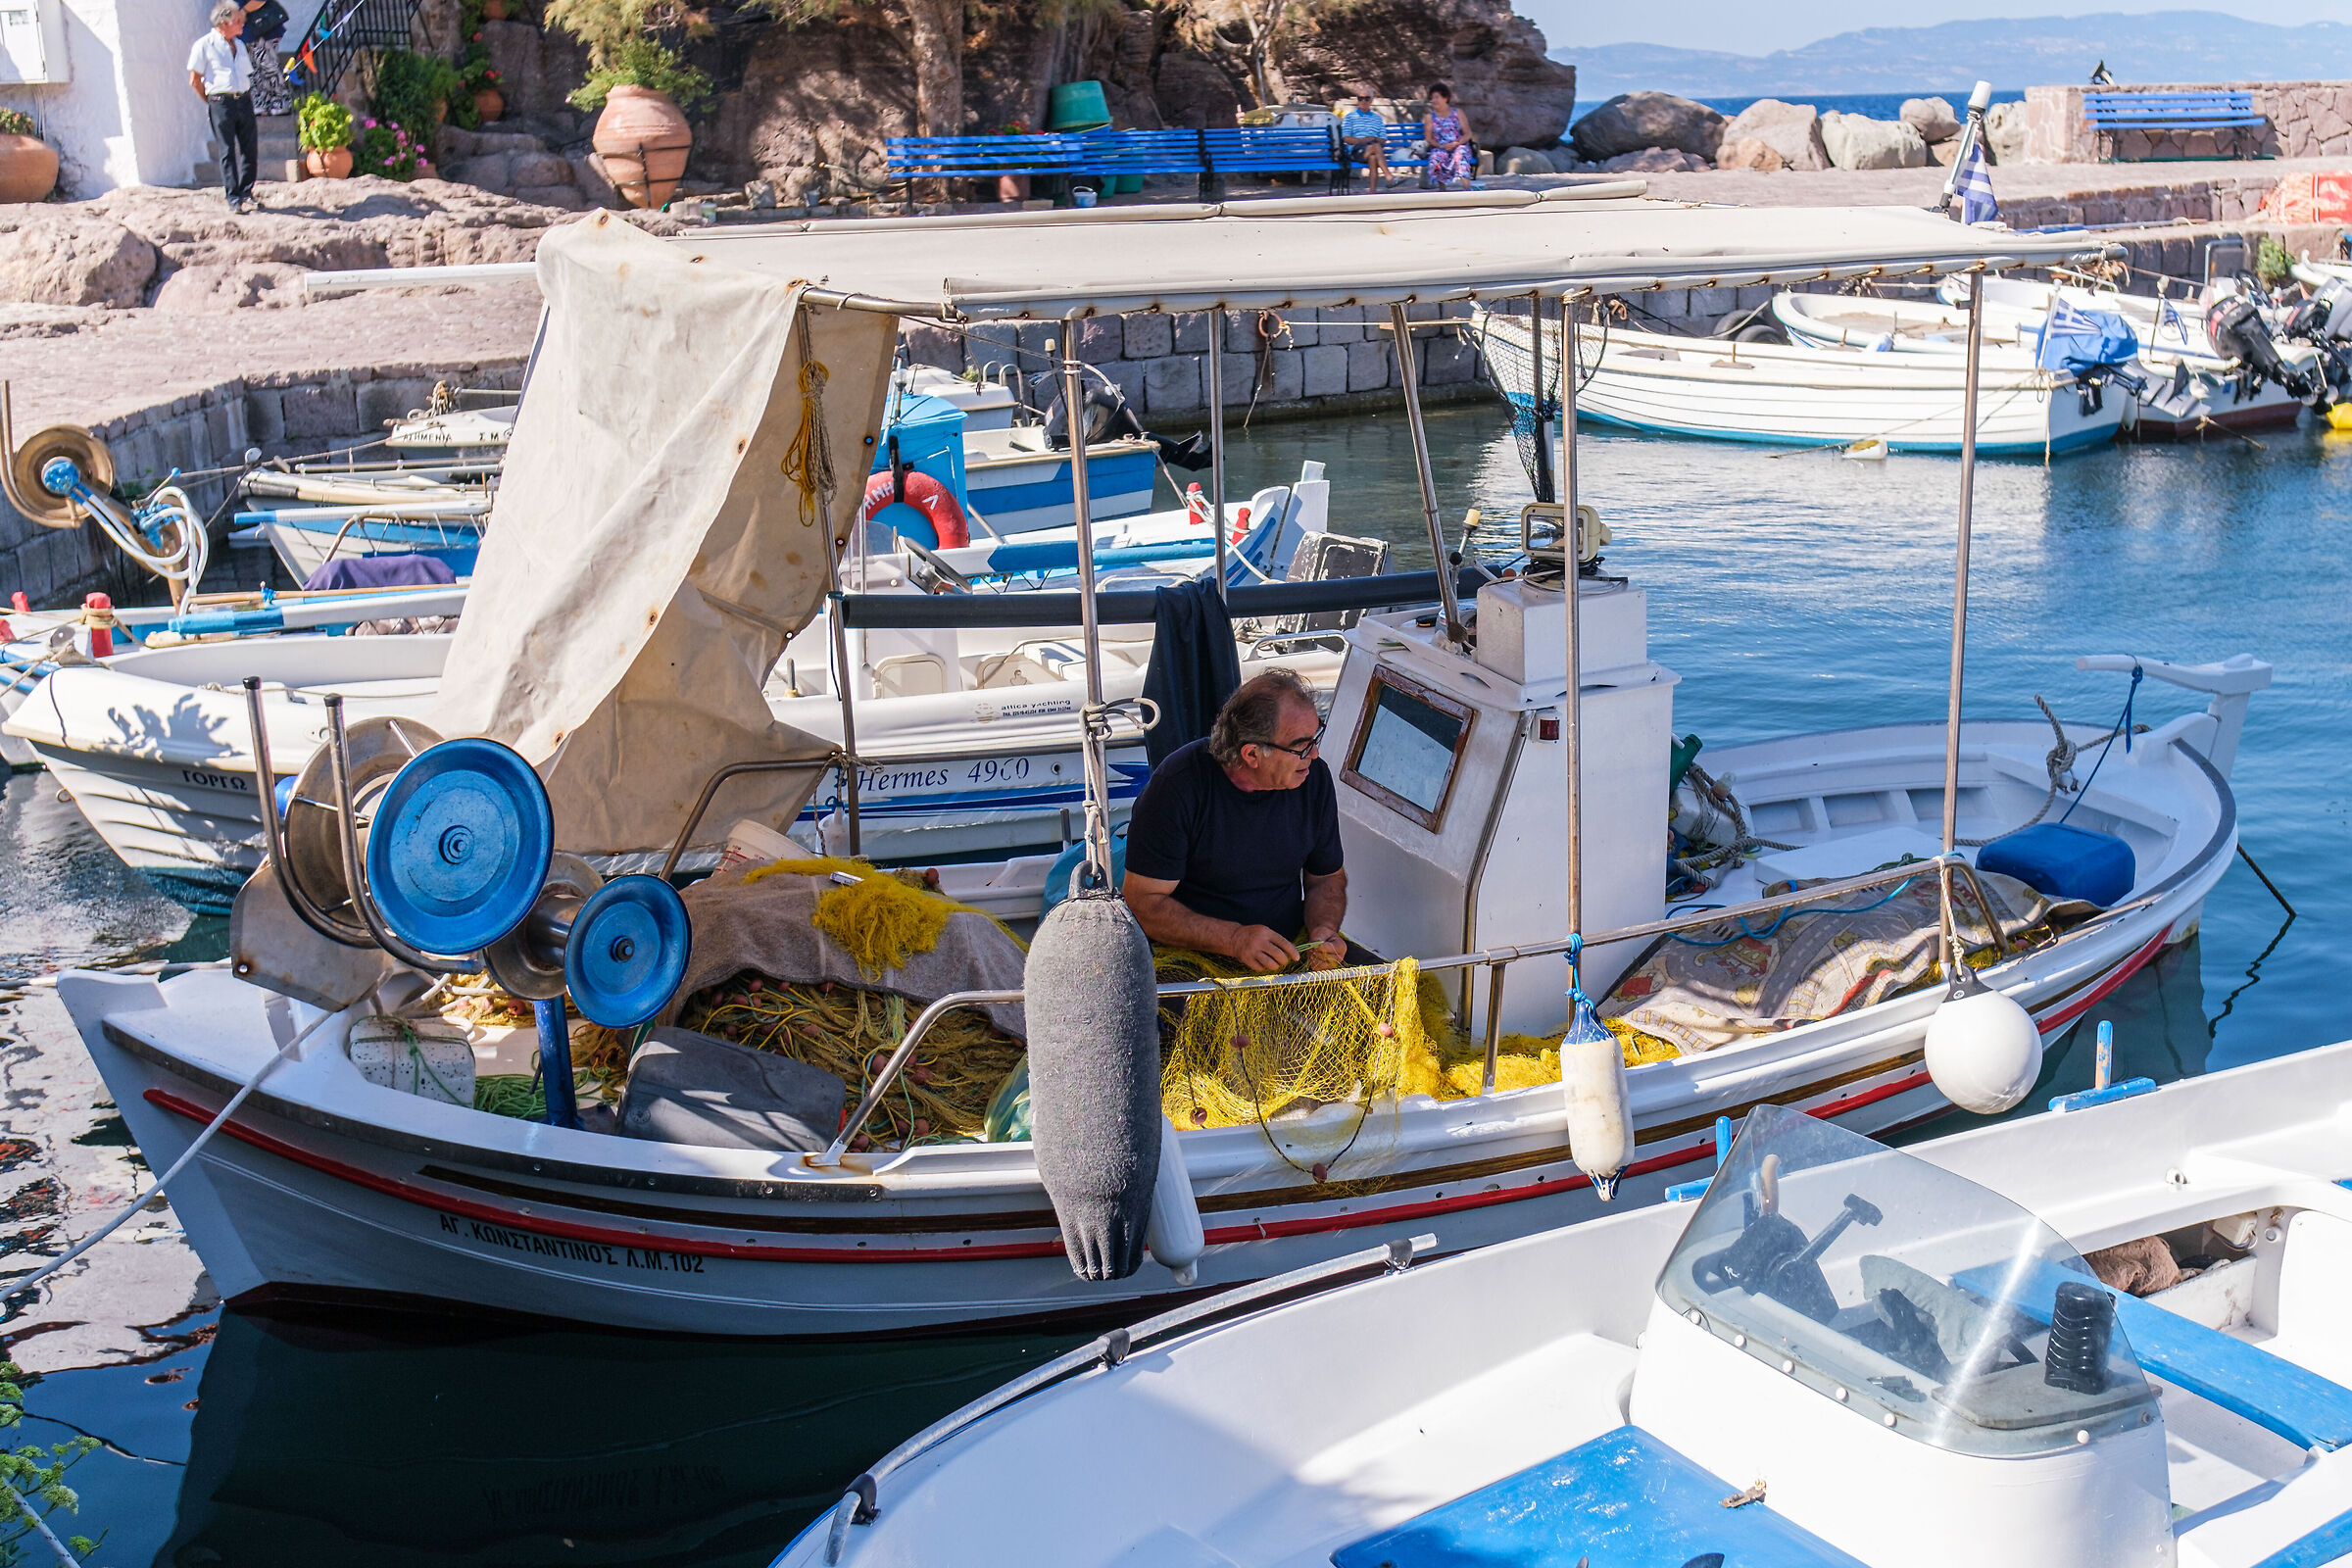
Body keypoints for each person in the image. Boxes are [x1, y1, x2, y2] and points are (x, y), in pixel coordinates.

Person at [1121, 668, 1348, 975]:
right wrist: (1234, 939)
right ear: (1252, 754)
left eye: (1315, 737)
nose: (1315, 754)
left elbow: (1326, 879)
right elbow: (1143, 902)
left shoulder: (1312, 778)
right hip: (1188, 958)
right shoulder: (1178, 786)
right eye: (1302, 745)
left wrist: (1323, 929)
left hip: (1289, 949)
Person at [187, 0, 258, 213]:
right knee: (227, 150)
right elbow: (195, 79)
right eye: (237, 21)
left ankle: (247, 192)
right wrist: (211, 101)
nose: (242, 24)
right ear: (223, 22)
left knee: (250, 148)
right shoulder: (204, 44)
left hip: (243, 100)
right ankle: (233, 197)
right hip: (221, 101)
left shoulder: (241, 45)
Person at [243, 0, 294, 118]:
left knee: (269, 66)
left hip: (263, 28)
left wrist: (243, 11)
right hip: (246, 30)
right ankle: (262, 103)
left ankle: (282, 102)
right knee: (253, 69)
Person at [1422, 82, 1477, 190]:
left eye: (1436, 97)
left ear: (1445, 98)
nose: (1433, 101)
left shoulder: (1458, 112)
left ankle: (1467, 190)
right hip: (1440, 147)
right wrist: (1441, 146)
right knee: (1436, 157)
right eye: (1432, 98)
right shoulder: (1429, 117)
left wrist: (1457, 143)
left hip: (1458, 145)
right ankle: (1442, 190)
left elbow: (1468, 133)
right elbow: (1428, 138)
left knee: (1460, 155)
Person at [1339, 90, 1391, 193]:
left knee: (1373, 157)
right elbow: (1346, 138)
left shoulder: (1377, 118)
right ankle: (1388, 176)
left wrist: (1373, 139)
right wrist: (1363, 140)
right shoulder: (1350, 117)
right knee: (1375, 147)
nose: (1363, 101)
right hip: (1356, 150)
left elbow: (1383, 139)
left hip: (1373, 148)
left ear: (1371, 100)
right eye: (1360, 98)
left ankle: (1372, 194)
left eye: (1367, 98)